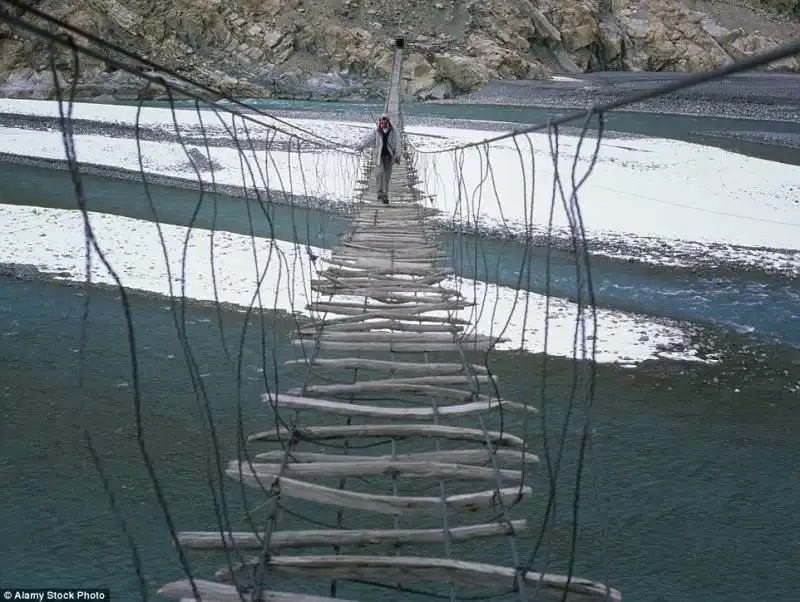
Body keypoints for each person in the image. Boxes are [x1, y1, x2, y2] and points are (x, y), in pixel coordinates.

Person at [357, 114, 400, 203]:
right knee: (379, 174)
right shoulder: (376, 131)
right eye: (380, 121)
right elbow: (368, 139)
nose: (381, 123)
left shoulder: (394, 131)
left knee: (387, 176)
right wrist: (361, 145)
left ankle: (385, 195)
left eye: (383, 121)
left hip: (389, 156)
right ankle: (379, 193)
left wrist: (397, 155)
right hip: (379, 156)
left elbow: (398, 143)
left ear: (388, 121)